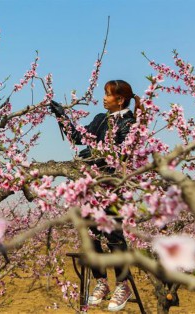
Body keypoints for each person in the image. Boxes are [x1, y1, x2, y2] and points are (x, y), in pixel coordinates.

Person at [49, 80, 141, 312]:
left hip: (111, 187)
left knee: (112, 235)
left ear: (120, 99)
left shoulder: (130, 123)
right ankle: (102, 282)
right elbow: (78, 138)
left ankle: (123, 284)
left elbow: (118, 154)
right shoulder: (101, 119)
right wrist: (62, 116)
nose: (104, 98)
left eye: (108, 95)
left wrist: (93, 152)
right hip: (90, 185)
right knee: (89, 232)